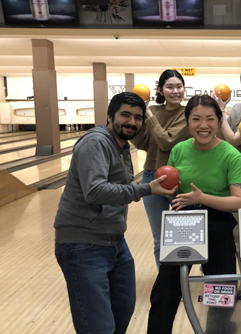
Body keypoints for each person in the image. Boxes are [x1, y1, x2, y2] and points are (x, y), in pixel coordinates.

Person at [54, 92, 172, 334]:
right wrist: (146, 189)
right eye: (125, 115)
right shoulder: (96, 143)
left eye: (137, 118)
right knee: (99, 326)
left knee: (123, 309)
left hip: (114, 242)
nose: (131, 122)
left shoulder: (121, 146)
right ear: (110, 115)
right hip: (82, 244)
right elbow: (94, 191)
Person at [147, 95, 241, 334]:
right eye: (196, 119)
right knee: (164, 293)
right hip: (184, 222)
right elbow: (173, 193)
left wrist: (201, 199)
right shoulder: (179, 150)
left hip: (218, 222)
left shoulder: (230, 155)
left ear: (219, 120)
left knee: (222, 292)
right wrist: (169, 192)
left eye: (210, 119)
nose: (204, 125)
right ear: (188, 122)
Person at [131, 69, 190, 268]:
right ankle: (166, 285)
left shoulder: (187, 114)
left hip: (178, 179)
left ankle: (179, 280)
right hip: (151, 176)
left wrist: (147, 114)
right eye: (170, 87)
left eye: (179, 86)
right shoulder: (153, 111)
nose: (175, 91)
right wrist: (136, 119)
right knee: (160, 237)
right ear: (161, 90)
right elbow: (144, 143)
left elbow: (166, 142)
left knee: (183, 235)